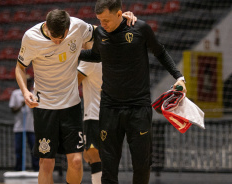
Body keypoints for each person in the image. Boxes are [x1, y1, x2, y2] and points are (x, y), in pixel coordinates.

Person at [14, 9, 137, 184]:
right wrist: (25, 92)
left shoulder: (78, 26)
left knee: (77, 162)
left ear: (68, 27)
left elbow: (101, 30)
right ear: (47, 26)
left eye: (61, 38)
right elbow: (19, 67)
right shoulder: (31, 37)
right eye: (53, 37)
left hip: (70, 107)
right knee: (46, 163)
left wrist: (120, 20)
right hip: (44, 108)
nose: (57, 42)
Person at [79, 0, 187, 183]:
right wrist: (72, 53)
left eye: (106, 20)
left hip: (138, 108)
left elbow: (160, 52)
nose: (102, 24)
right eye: (99, 20)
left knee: (142, 164)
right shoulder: (99, 33)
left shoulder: (140, 29)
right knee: (109, 165)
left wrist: (179, 77)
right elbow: (96, 55)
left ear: (119, 14)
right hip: (109, 108)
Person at [77, 41, 102, 184]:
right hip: (107, 113)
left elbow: (74, 82)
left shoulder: (90, 59)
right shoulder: (107, 55)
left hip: (93, 114)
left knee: (93, 156)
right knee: (88, 154)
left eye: (84, 40)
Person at [9, 77, 39, 172]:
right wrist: (21, 105)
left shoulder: (34, 94)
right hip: (19, 127)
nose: (28, 83)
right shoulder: (16, 94)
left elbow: (38, 109)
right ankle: (18, 169)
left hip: (31, 126)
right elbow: (13, 110)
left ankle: (36, 169)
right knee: (19, 149)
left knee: (34, 149)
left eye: (30, 82)